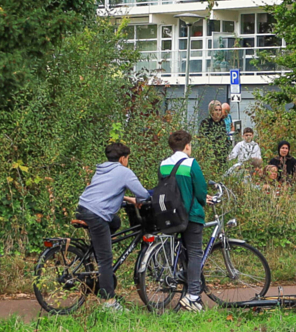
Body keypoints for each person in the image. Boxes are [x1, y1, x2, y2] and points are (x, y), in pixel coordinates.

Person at [76, 143, 151, 311]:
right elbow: (144, 194)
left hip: (83, 208)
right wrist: (139, 199)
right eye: (127, 159)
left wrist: (127, 199)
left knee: (115, 222)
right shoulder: (124, 172)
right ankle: (109, 303)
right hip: (97, 214)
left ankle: (97, 250)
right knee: (105, 260)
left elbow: (105, 191)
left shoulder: (101, 169)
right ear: (122, 159)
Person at [160, 130, 209, 311]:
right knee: (196, 253)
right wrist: (203, 201)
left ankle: (182, 278)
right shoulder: (190, 164)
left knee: (181, 250)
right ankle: (193, 295)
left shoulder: (163, 164)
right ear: (187, 146)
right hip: (190, 215)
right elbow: (201, 191)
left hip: (170, 216)